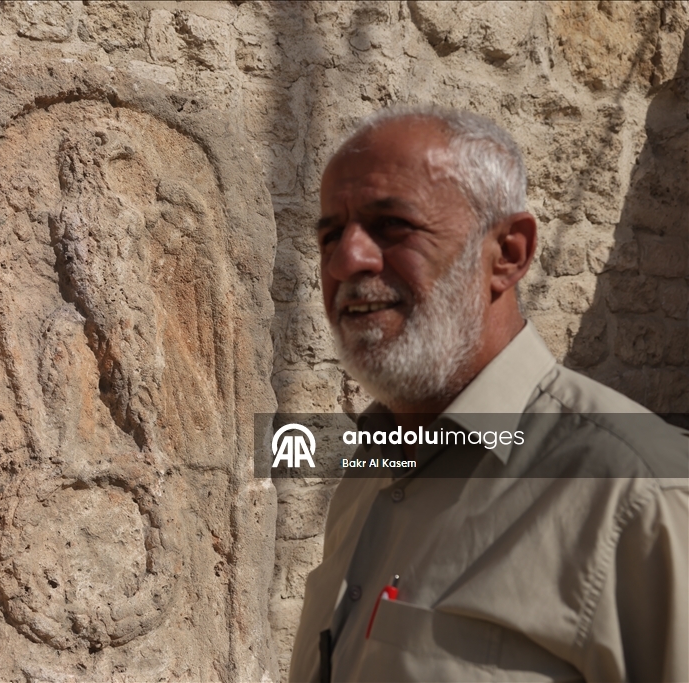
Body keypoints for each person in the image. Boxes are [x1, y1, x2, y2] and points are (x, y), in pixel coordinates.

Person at [288, 106, 688, 682]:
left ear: (508, 254)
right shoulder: (370, 470)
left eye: (393, 225)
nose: (347, 259)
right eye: (330, 235)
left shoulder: (643, 492)